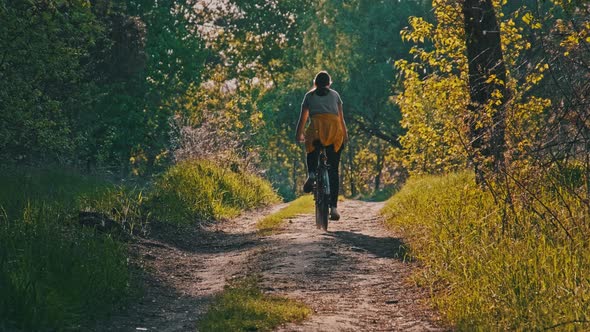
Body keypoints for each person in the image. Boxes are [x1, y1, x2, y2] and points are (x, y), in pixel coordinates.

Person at [295, 71, 348, 221]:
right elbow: (341, 119)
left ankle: (311, 173)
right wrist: (345, 135)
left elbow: (303, 119)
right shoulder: (335, 95)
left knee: (311, 149)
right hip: (333, 131)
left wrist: (299, 135)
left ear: (315, 83)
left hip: (317, 131)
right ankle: (334, 208)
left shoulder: (309, 96)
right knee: (333, 170)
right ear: (329, 83)